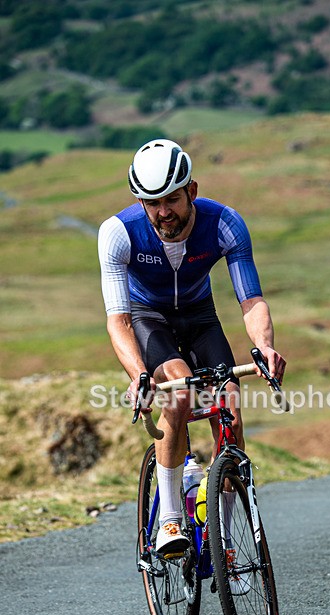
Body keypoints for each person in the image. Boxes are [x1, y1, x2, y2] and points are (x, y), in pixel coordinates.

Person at [98, 138, 285, 557]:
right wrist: (139, 376)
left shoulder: (225, 224)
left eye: (172, 199)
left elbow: (250, 299)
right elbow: (119, 319)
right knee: (180, 390)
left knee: (231, 414)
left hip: (200, 317)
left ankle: (222, 542)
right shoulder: (118, 233)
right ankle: (169, 520)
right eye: (152, 203)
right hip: (149, 319)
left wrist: (264, 347)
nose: (163, 212)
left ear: (192, 191)